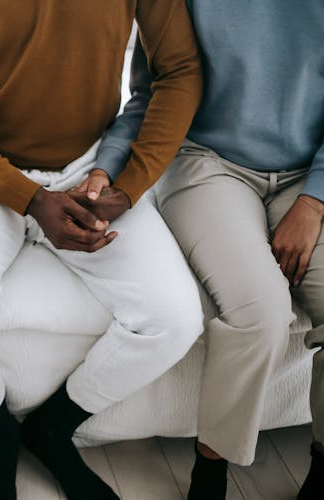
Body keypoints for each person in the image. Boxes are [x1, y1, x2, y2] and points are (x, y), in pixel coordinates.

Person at [0, 1, 204, 498]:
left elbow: (180, 69)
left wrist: (130, 186)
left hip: (90, 166)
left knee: (173, 317)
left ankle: (52, 429)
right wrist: (30, 199)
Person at [103, 2, 324, 498]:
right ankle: (210, 470)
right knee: (261, 314)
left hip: (309, 175)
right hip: (207, 163)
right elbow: (150, 95)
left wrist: (313, 202)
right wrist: (106, 169)